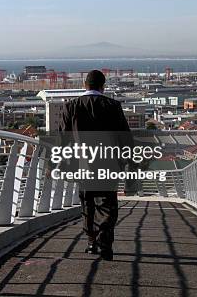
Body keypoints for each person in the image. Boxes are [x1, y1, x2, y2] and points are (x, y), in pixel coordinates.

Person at [58, 69, 132, 261]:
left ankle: (91, 241)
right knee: (108, 204)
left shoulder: (70, 107)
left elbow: (64, 139)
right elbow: (124, 137)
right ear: (102, 86)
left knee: (87, 203)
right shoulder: (113, 106)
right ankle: (105, 241)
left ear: (85, 85)